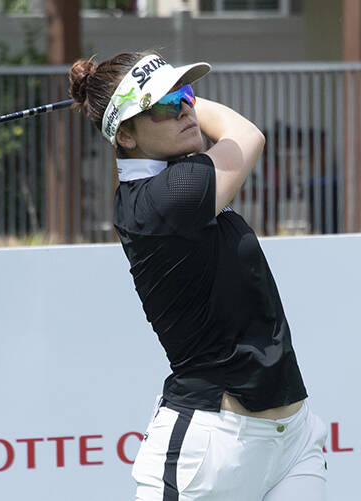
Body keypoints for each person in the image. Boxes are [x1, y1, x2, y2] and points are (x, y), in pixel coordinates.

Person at [68, 51, 328, 501]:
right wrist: (173, 95)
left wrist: (164, 94)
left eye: (186, 96)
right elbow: (246, 134)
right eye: (165, 106)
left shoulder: (177, 179)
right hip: (211, 448)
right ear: (125, 135)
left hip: (294, 439)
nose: (186, 110)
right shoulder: (164, 198)